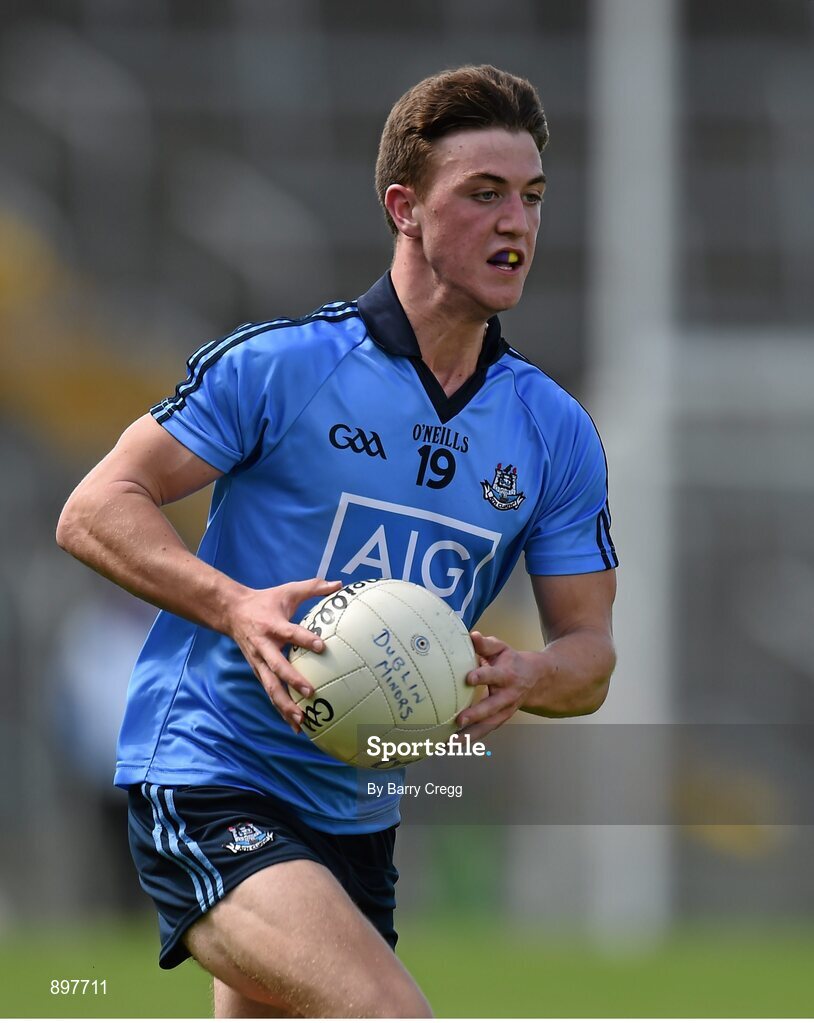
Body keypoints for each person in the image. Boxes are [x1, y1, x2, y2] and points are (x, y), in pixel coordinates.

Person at [56, 64, 618, 1018]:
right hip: (210, 772)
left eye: (530, 198)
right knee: (386, 1012)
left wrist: (530, 674)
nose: (516, 223)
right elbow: (96, 505)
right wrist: (232, 605)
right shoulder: (285, 366)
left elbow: (592, 654)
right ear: (404, 207)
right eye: (482, 195)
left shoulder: (554, 431)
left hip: (358, 813)